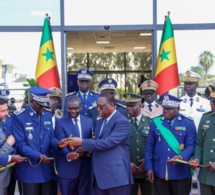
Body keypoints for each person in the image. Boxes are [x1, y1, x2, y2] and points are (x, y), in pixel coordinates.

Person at [66, 93, 133, 194]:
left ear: (111, 105)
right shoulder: (100, 122)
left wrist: (82, 142)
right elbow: (96, 143)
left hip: (116, 178)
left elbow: (108, 142)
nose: (98, 109)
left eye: (101, 107)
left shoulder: (121, 122)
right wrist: (86, 151)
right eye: (97, 106)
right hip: (98, 178)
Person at [11, 87, 66, 195]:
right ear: (32, 102)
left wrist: (58, 144)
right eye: (41, 105)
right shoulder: (19, 117)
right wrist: (38, 156)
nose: (43, 108)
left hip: (46, 170)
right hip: (28, 171)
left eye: (45, 105)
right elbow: (20, 144)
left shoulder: (47, 115)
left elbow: (51, 138)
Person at [145, 94, 197, 195]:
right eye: (164, 108)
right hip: (160, 170)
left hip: (180, 172)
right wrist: (149, 167)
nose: (166, 111)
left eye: (170, 109)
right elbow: (149, 147)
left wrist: (181, 157)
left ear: (178, 108)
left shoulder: (188, 122)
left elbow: (191, 145)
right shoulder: (156, 122)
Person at [55, 96, 93, 195]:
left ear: (80, 107)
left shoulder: (89, 122)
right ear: (66, 107)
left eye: (75, 108)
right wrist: (68, 155)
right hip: (68, 170)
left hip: (85, 170)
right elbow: (60, 143)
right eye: (70, 108)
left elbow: (93, 142)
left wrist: (86, 150)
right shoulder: (60, 122)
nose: (73, 111)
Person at [124, 92, 154, 195]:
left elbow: (155, 145)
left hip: (146, 169)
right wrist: (127, 161)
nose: (129, 108)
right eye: (127, 106)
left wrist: (148, 161)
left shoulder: (150, 122)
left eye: (132, 106)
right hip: (128, 169)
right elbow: (119, 146)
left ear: (140, 105)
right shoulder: (122, 123)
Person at [189, 85, 215, 195]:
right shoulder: (206, 118)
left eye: (214, 101)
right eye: (211, 101)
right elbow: (199, 143)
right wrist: (197, 159)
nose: (211, 103)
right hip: (205, 174)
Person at [0, 93, 26, 195]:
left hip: (6, 175)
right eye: (3, 111)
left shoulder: (4, 122)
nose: (6, 113)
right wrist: (8, 144)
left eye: (7, 110)